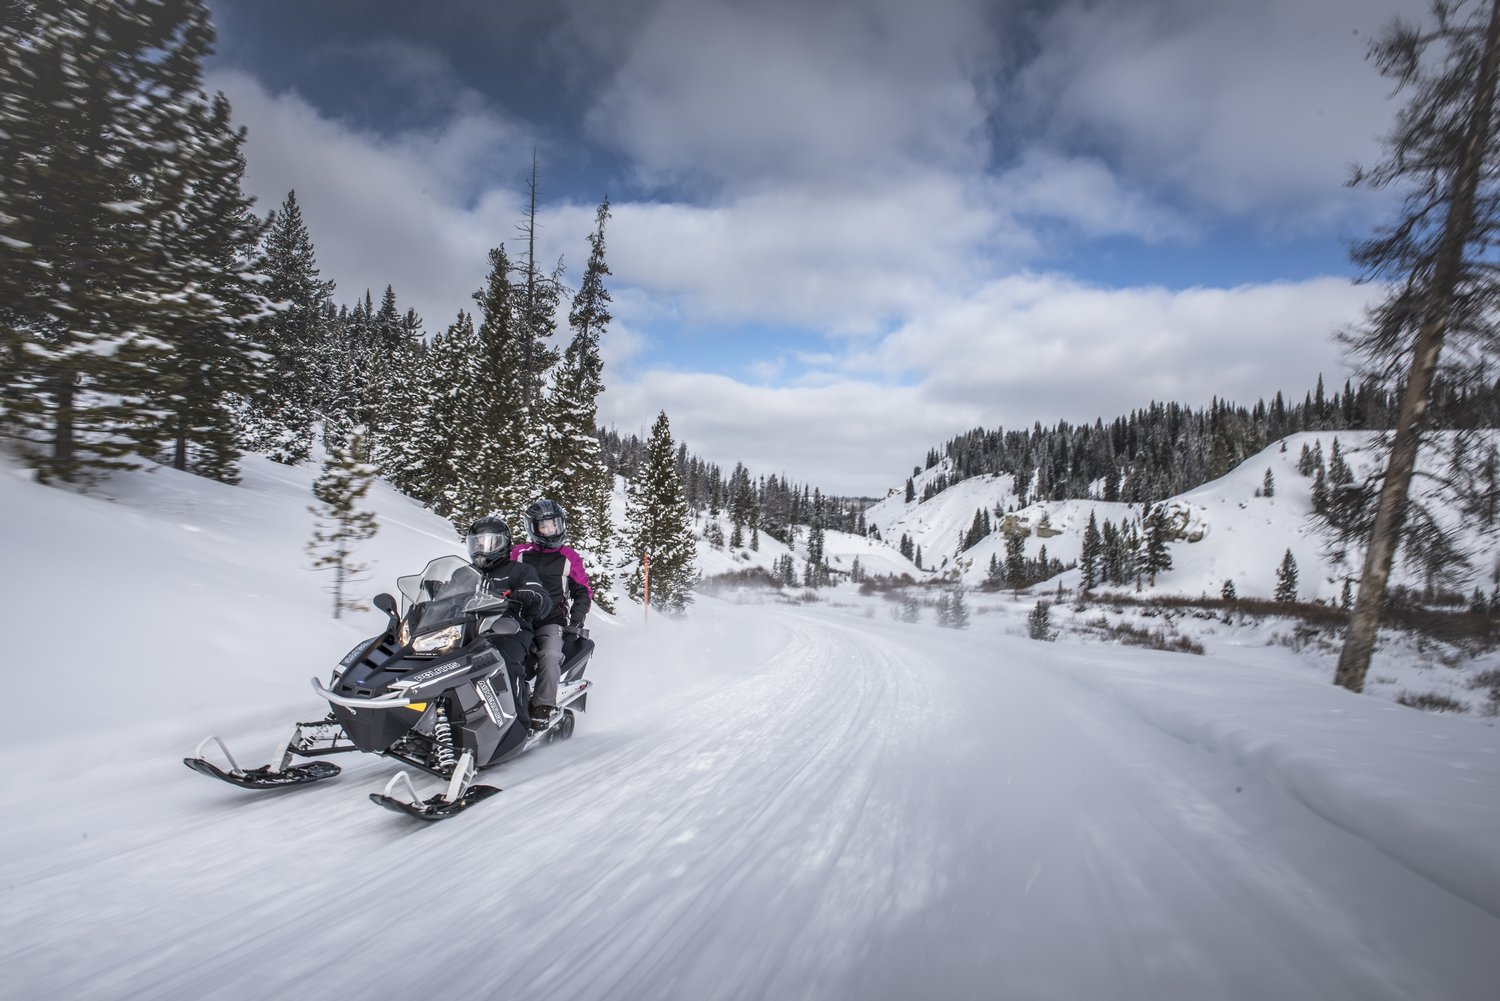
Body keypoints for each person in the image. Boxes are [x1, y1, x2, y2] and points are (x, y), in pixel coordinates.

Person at [510, 497, 593, 727]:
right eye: (544, 526)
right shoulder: (519, 553)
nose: (550, 530)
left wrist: (576, 621)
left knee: (550, 653)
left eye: (554, 525)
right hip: (517, 618)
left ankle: (542, 707)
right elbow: (499, 577)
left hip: (551, 620)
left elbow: (583, 592)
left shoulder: (569, 557)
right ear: (533, 528)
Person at [465, 514, 553, 725]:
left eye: (487, 542)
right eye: (476, 543)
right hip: (470, 631)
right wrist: (435, 592)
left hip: (511, 630)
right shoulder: (467, 574)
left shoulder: (519, 571)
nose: (481, 549)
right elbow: (450, 596)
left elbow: (540, 595)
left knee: (504, 661)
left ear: (502, 543)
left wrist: (531, 596)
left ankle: (519, 722)